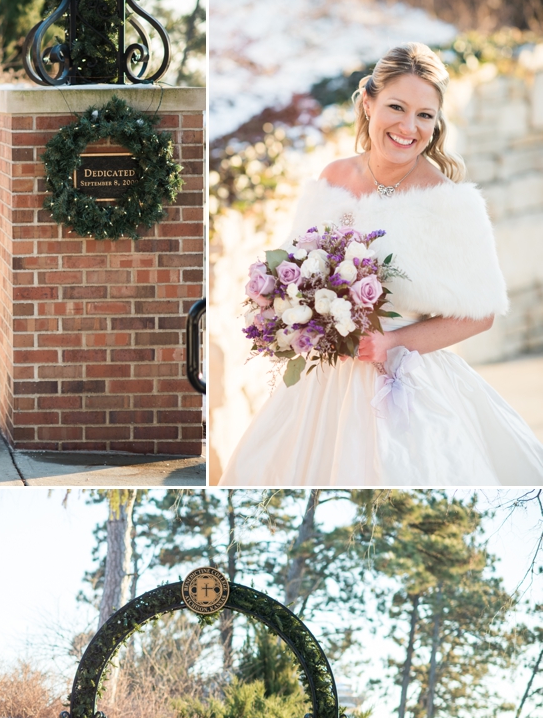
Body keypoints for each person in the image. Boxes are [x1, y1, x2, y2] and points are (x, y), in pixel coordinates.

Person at [221, 42, 543, 486]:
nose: (409, 127)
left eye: (425, 115)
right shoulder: (332, 180)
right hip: (322, 383)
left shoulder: (451, 205)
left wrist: (394, 343)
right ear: (368, 103)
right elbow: (291, 271)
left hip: (402, 379)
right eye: (397, 106)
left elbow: (481, 313)